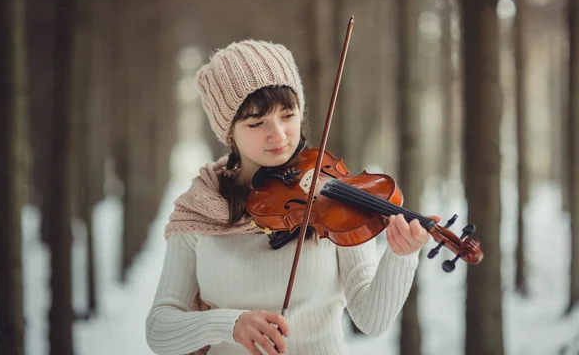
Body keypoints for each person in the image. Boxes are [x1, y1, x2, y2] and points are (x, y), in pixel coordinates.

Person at [145, 40, 434, 355]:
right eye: (257, 123)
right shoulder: (199, 210)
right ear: (228, 132)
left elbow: (372, 321)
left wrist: (402, 257)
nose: (279, 134)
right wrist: (229, 324)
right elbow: (159, 328)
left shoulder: (333, 198)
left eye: (288, 115)